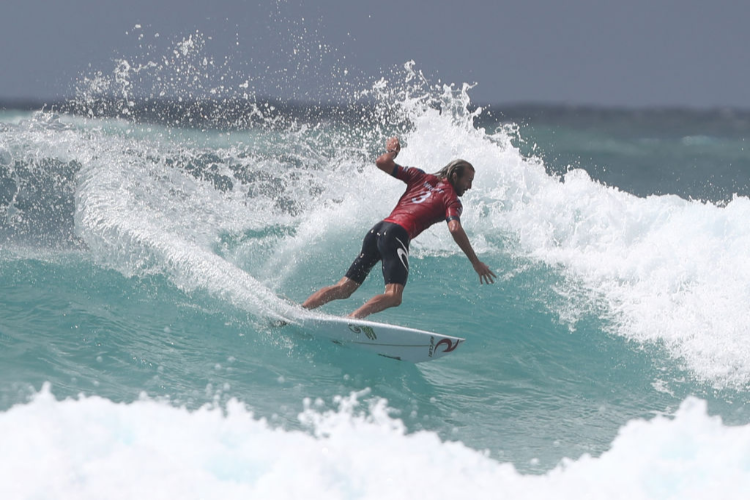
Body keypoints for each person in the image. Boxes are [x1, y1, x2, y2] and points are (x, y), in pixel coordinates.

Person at [302, 137, 495, 319]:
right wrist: (475, 262)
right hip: (396, 234)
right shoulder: (451, 199)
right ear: (455, 176)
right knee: (394, 296)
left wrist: (392, 151)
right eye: (468, 180)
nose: (469, 186)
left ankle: (301, 310)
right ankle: (353, 319)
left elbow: (382, 162)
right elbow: (454, 228)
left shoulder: (420, 177)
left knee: (344, 288)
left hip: (378, 229)